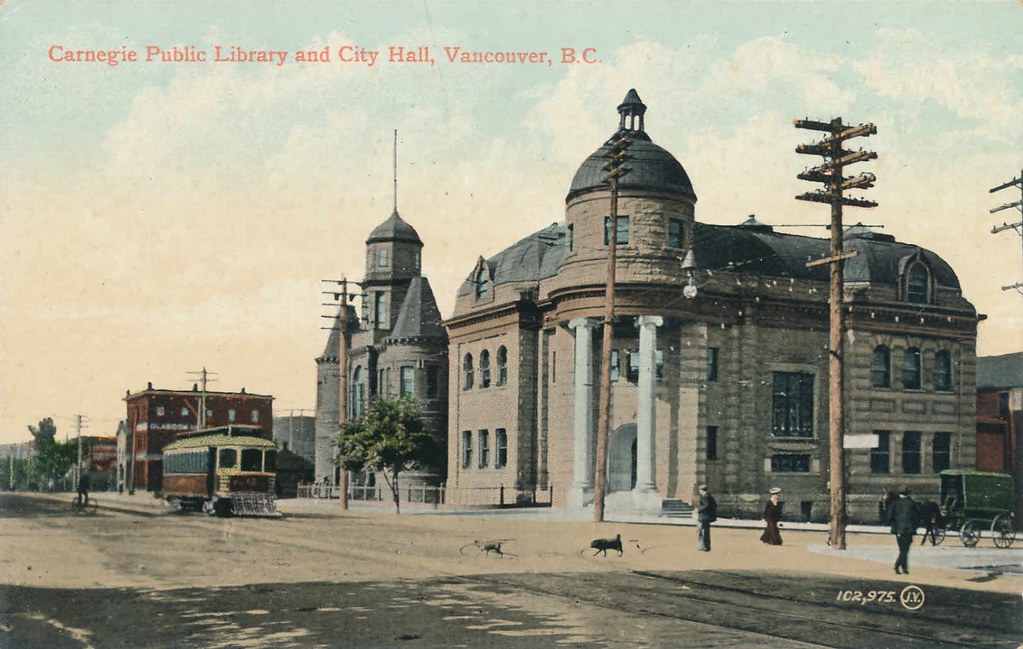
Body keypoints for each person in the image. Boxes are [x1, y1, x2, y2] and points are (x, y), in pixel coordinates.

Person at [887, 485, 919, 574]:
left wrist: (892, 525)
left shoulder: (894, 503)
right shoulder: (912, 503)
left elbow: (890, 517)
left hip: (898, 529)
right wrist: (915, 527)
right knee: (905, 550)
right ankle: (898, 566)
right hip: (909, 529)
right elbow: (916, 517)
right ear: (907, 493)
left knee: (902, 549)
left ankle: (903, 568)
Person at [695, 484, 717, 552]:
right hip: (707, 517)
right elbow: (714, 505)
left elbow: (706, 506)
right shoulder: (709, 496)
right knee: (705, 532)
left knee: (701, 532)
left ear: (701, 490)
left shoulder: (705, 496)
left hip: (703, 517)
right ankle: (706, 546)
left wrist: (698, 509)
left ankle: (703, 546)